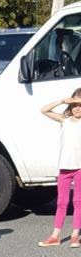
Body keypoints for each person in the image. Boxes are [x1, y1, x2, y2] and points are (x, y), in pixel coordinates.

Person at [38, 89, 81, 248]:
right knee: (62, 202)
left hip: (80, 169)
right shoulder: (65, 120)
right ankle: (55, 235)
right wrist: (63, 101)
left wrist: (77, 101)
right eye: (74, 104)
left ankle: (75, 235)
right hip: (64, 168)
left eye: (80, 105)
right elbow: (44, 110)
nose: (77, 108)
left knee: (78, 201)